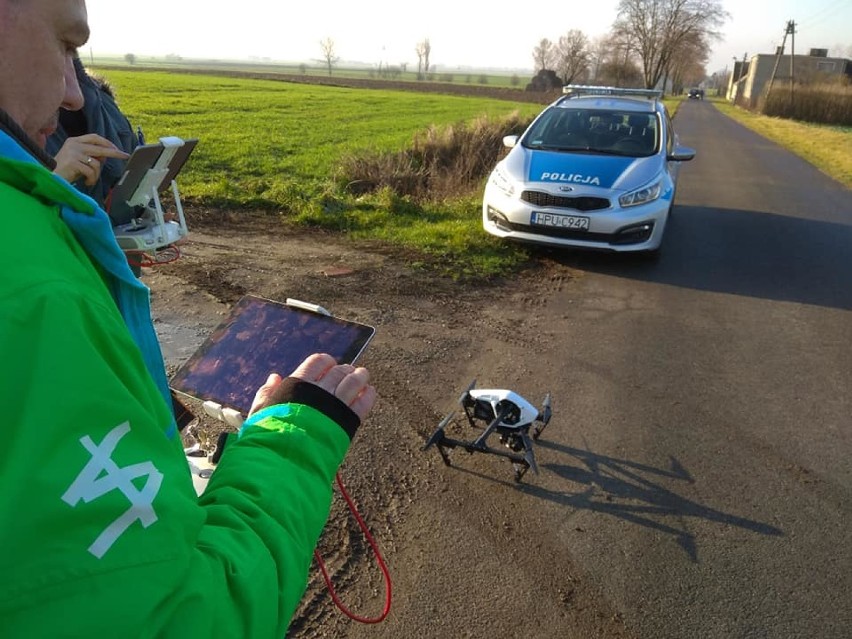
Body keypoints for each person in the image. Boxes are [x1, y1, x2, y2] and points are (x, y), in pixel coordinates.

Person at [0, 2, 377, 637]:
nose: (72, 93)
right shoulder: (37, 299)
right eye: (67, 45)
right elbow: (175, 617)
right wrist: (295, 443)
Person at [46, 55, 139, 210]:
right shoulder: (12, 127)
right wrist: (54, 181)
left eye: (68, 48)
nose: (76, 100)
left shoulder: (104, 102)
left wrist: (151, 219)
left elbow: (138, 184)